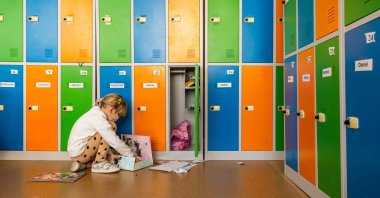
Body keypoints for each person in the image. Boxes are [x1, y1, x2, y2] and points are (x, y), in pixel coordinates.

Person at [67, 93, 134, 173]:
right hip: (81, 154)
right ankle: (99, 164)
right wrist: (130, 154)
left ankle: (83, 164)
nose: (118, 118)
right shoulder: (98, 119)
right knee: (110, 128)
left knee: (111, 154)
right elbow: (113, 140)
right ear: (111, 110)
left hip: (77, 153)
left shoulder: (95, 112)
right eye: (118, 114)